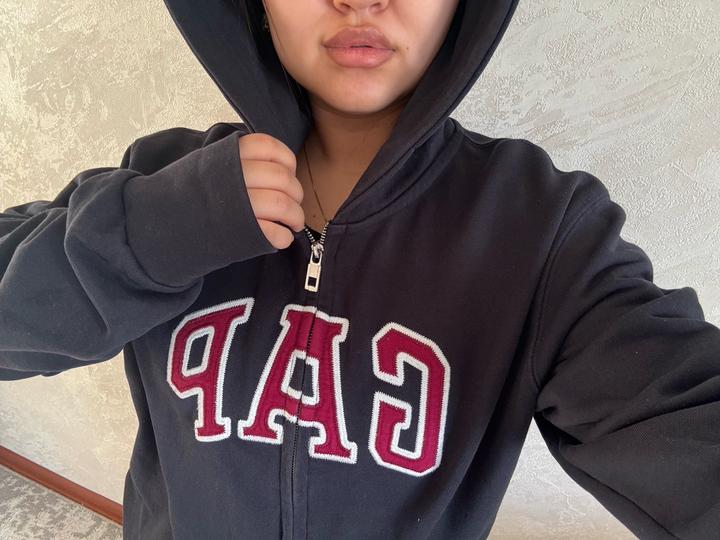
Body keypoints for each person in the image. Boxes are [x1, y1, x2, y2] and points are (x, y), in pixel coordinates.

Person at [0, 0, 717, 538]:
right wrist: (154, 233)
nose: (361, 0)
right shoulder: (163, 177)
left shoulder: (540, 227)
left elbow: (677, 411)